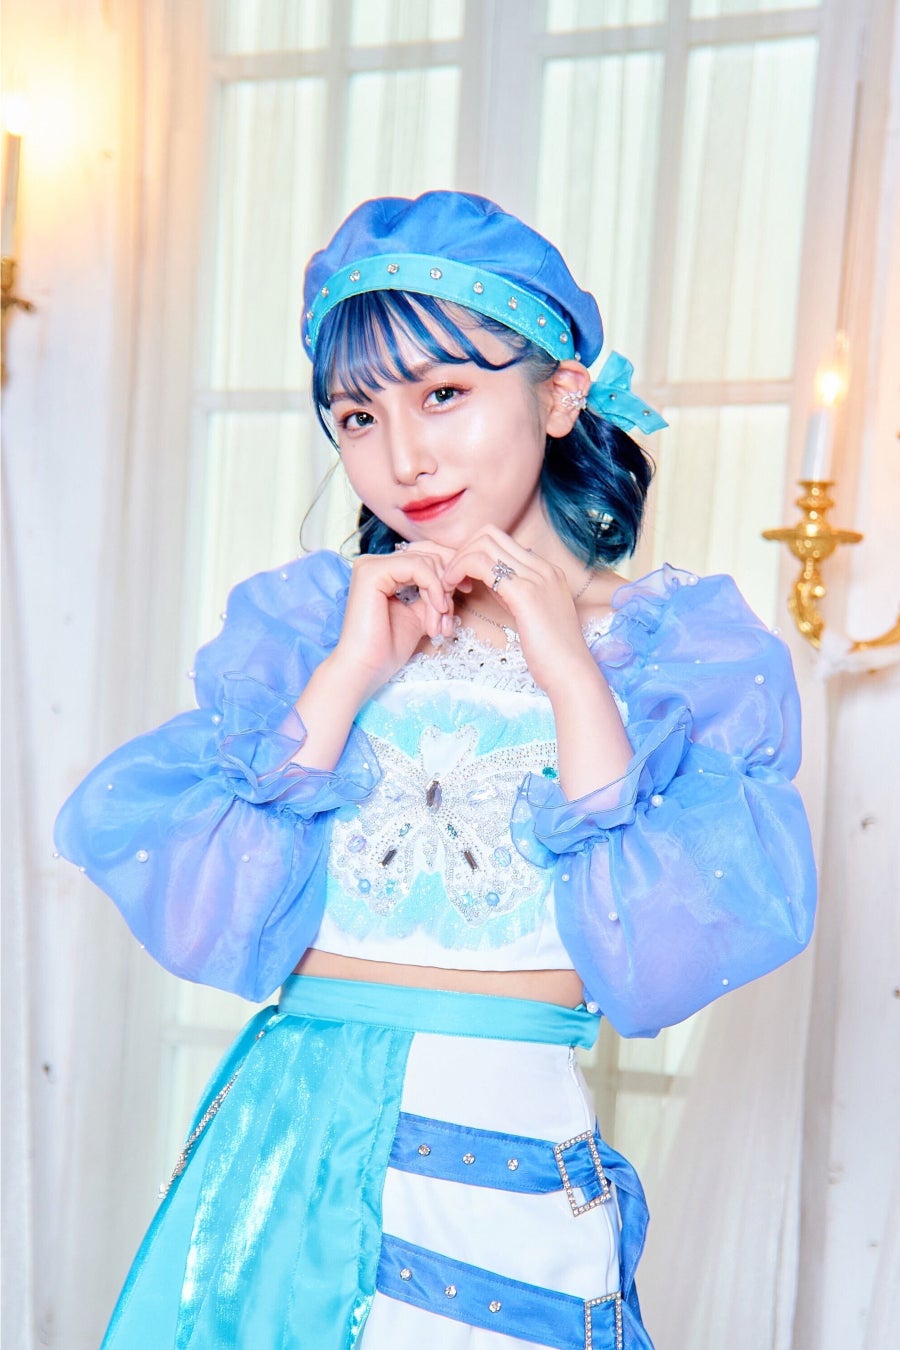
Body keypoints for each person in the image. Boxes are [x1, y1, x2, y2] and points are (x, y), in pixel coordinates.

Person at [55, 190, 817, 1350]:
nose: (402, 455)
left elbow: (653, 949)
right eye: (358, 415)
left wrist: (570, 668)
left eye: (444, 394)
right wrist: (351, 670)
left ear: (560, 395)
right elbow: (217, 899)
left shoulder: (675, 653)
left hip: (502, 1171)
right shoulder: (313, 628)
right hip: (286, 1157)